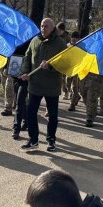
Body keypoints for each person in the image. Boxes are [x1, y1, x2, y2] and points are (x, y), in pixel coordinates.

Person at [19, 18, 67, 152]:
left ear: (52, 28)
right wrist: (25, 72)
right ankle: (33, 140)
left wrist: (50, 66)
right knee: (30, 112)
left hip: (52, 86)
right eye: (41, 26)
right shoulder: (35, 41)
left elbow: (64, 65)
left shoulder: (60, 44)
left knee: (52, 115)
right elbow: (27, 57)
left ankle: (51, 140)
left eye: (46, 26)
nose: (43, 28)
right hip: (35, 84)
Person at [67, 32, 82, 113]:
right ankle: (77, 96)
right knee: (67, 85)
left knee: (74, 87)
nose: (73, 41)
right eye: (72, 40)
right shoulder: (67, 46)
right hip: (69, 69)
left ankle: (72, 105)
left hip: (77, 69)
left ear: (79, 39)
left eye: (75, 40)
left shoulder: (82, 47)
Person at [55, 22, 71, 100]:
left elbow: (70, 46)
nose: (59, 31)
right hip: (55, 58)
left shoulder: (67, 37)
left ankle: (66, 92)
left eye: (61, 30)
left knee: (64, 78)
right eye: (58, 29)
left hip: (64, 59)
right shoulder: (53, 35)